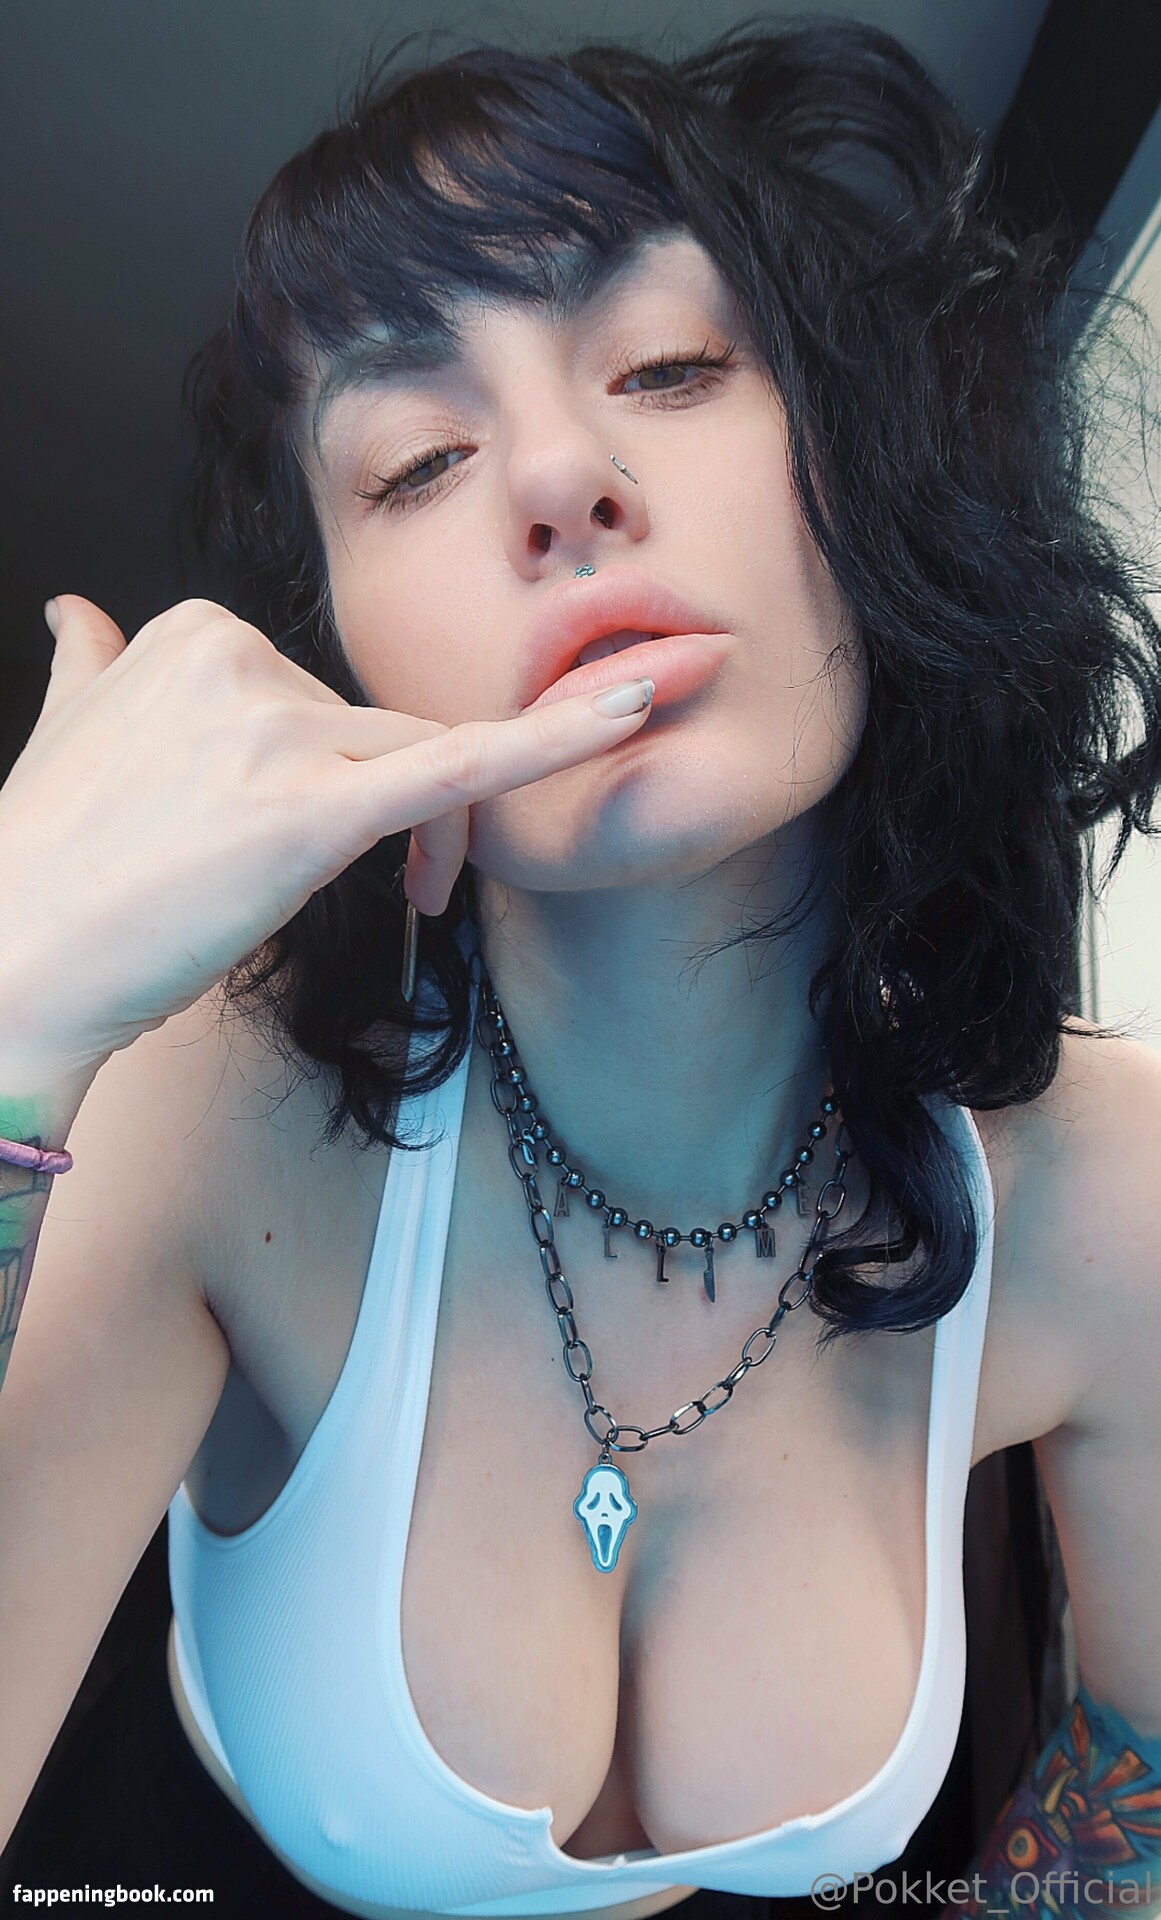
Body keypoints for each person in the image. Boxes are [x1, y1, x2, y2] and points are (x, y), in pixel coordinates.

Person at [2, 19, 1160, 1920]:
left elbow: (1138, 1789)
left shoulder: (1108, 1188)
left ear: (862, 478)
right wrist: (13, 1005)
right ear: (341, 667)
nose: (557, 471)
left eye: (673, 364)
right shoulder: (200, 1116)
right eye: (416, 459)